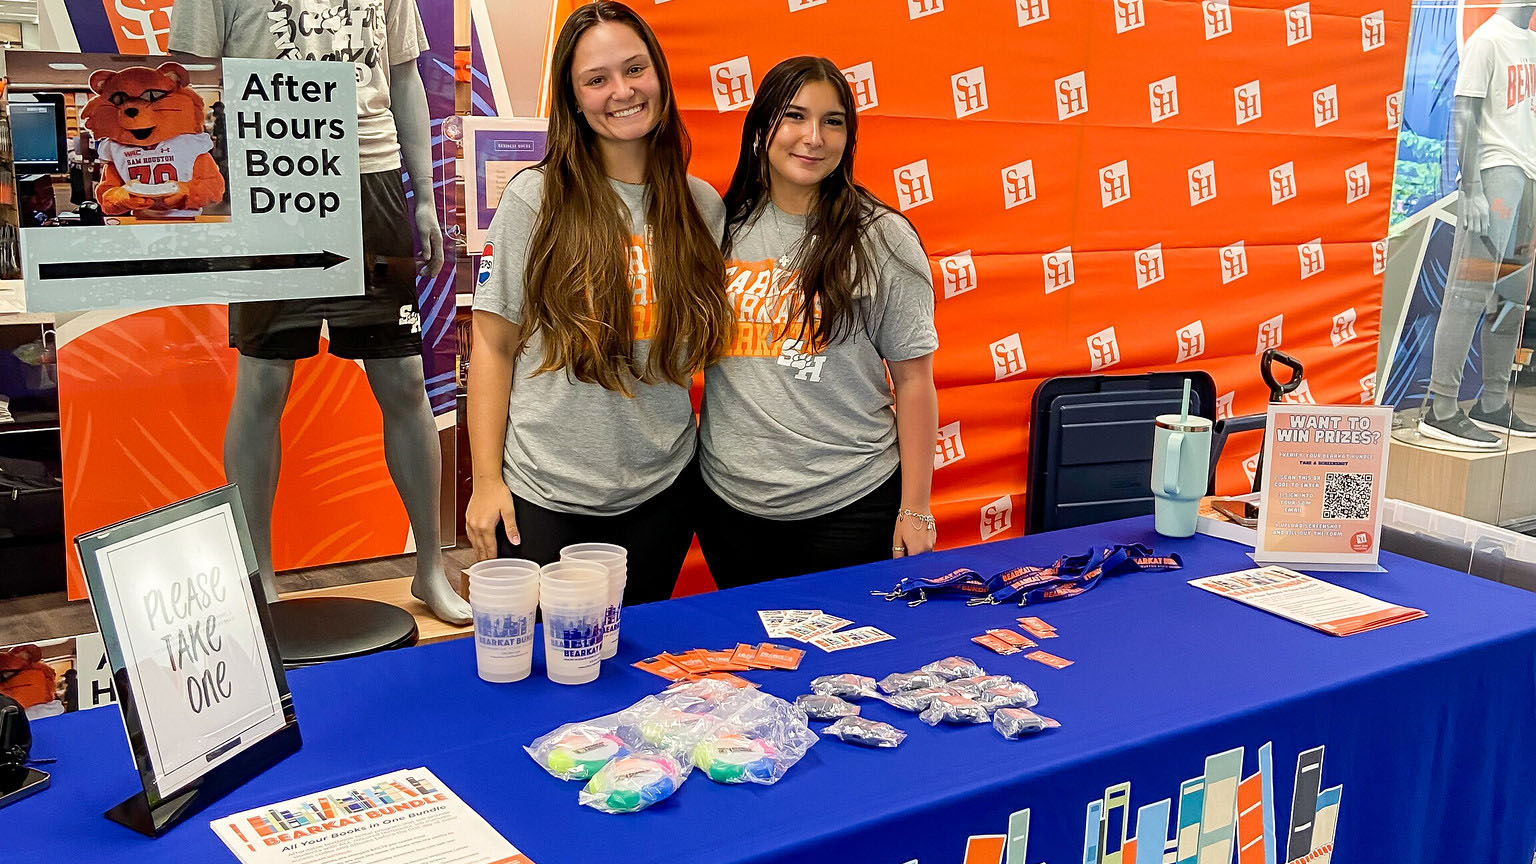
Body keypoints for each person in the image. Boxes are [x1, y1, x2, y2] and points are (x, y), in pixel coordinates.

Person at [170, 0, 469, 623]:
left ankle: (430, 568)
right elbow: (193, 77)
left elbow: (406, 73)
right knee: (262, 380)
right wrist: (215, 187)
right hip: (275, 177)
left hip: (375, 176)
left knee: (404, 377)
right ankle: (261, 578)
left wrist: (423, 198)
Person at [466, 1, 732, 604]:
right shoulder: (535, 200)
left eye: (634, 69)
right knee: (549, 674)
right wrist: (485, 482)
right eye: (597, 79)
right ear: (574, 99)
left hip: (662, 493)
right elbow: (492, 342)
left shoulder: (701, 207)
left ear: (659, 75)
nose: (621, 91)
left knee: (634, 672)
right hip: (544, 494)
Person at [695, 56, 939, 588]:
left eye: (833, 121)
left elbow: (916, 381)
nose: (813, 137)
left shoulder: (883, 237)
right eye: (794, 116)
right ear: (761, 128)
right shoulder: (718, 226)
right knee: (752, 662)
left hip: (850, 504)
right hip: (729, 507)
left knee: (848, 668)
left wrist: (916, 509)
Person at [1419, 0, 1536, 448]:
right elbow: (1463, 112)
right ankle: (1441, 405)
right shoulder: (1486, 39)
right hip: (1495, 172)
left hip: (1525, 176)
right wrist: (1470, 188)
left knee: (1511, 296)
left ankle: (1492, 400)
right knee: (1470, 290)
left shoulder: (1528, 41)